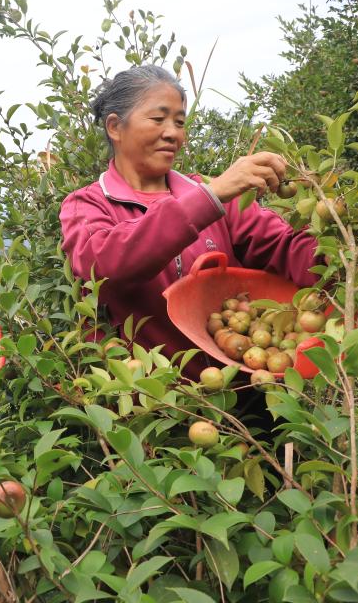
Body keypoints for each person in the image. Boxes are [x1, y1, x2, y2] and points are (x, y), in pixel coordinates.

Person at [60, 65, 323, 379]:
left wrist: (345, 253)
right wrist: (210, 197)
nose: (173, 133)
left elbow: (284, 247)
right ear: (115, 127)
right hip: (154, 405)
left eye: (180, 122)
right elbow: (106, 265)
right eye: (158, 119)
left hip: (248, 395)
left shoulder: (218, 197)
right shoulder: (88, 205)